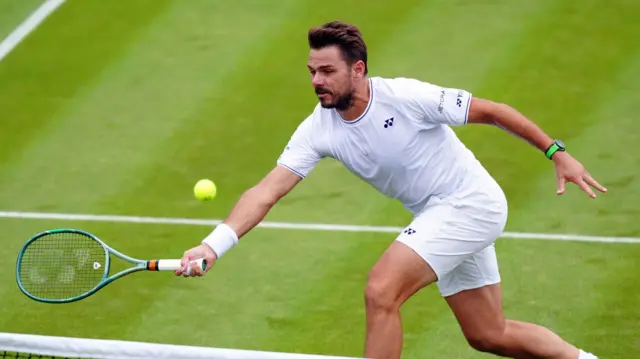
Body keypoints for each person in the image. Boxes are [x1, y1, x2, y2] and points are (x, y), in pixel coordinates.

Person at [175, 20, 606, 359]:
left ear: (357, 69)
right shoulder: (316, 130)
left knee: (381, 290)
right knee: (489, 334)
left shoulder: (405, 97)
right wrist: (214, 245)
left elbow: (492, 111)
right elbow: (266, 191)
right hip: (437, 215)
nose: (316, 81)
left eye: (327, 71)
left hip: (470, 204)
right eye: (312, 71)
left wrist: (556, 152)